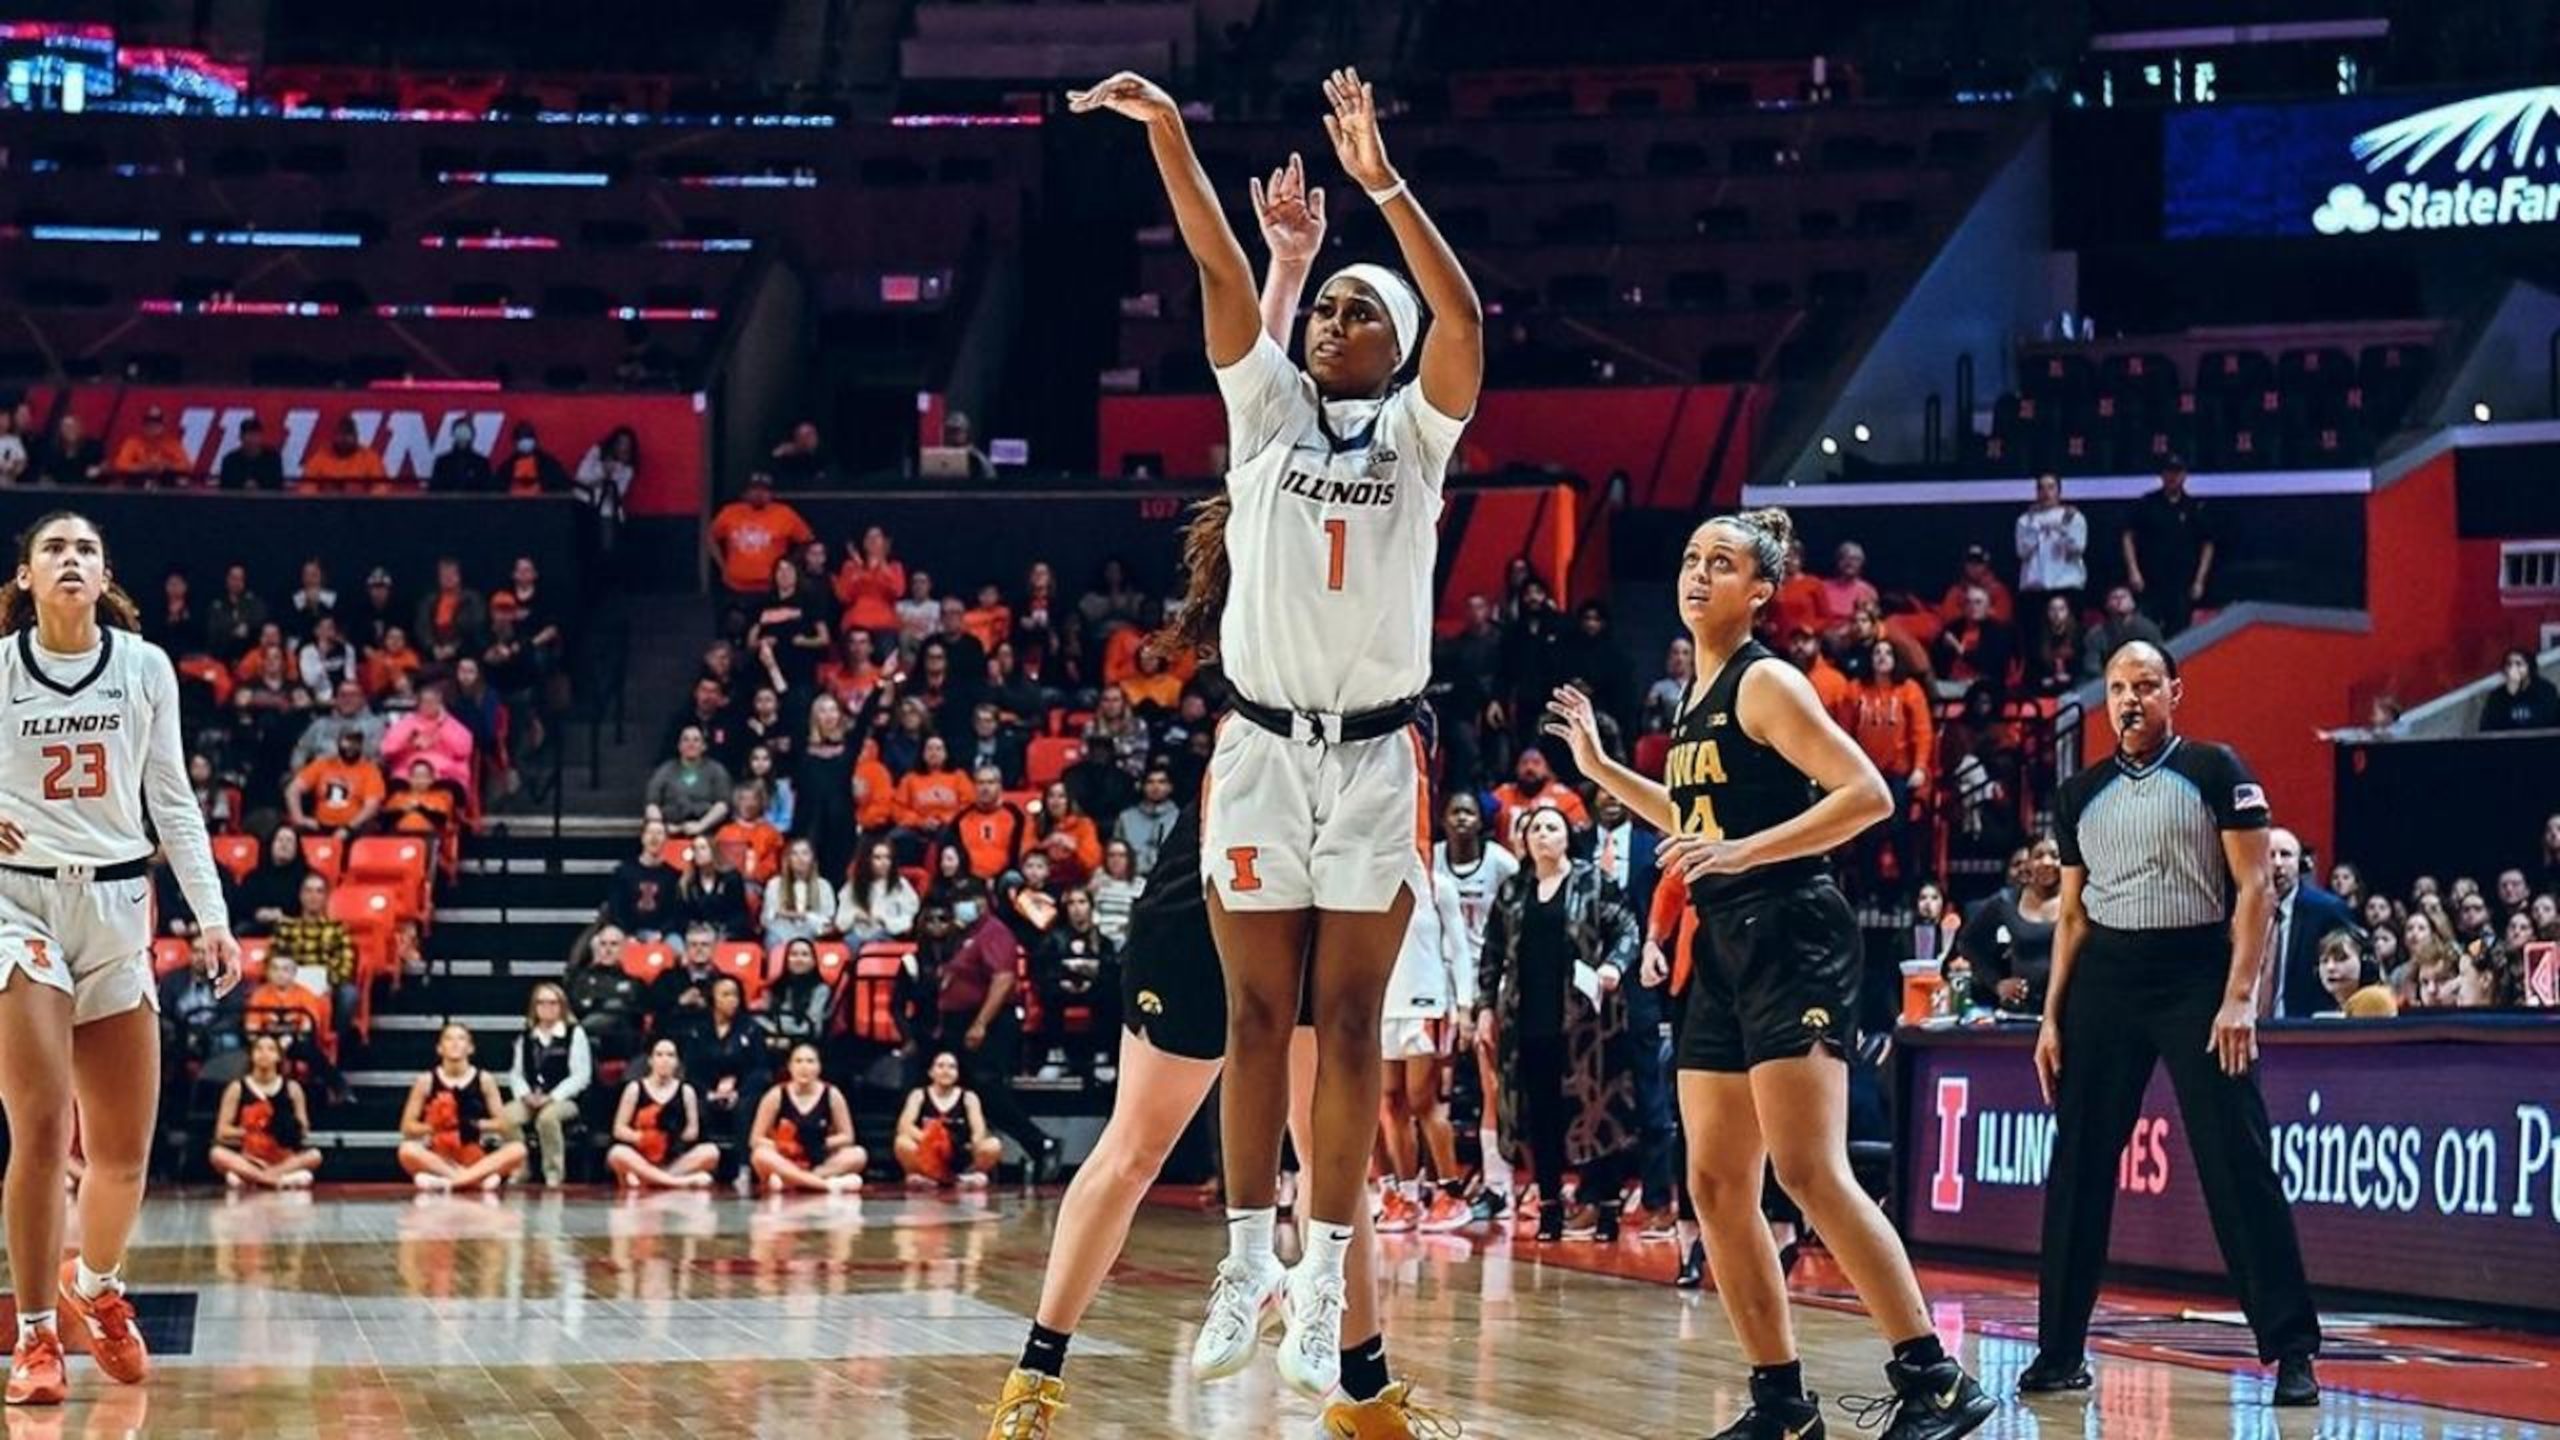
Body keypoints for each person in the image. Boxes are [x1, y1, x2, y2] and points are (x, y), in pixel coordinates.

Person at [1077, 62, 1484, 1408]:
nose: (1334, 322)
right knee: (1256, 1018)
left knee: (1352, 1025)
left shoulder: (1421, 438)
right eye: (1328, 308)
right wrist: (1172, 141)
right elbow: (1211, 262)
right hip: (1259, 750)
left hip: (1373, 756)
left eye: (1362, 310)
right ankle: (1248, 1263)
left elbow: (1468, 317)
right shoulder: (1263, 413)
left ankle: (1325, 1279)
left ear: (1394, 344)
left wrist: (1383, 189)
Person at [1546, 507, 1995, 1440]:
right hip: (1727, 941)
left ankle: (1936, 1380)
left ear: (1760, 591)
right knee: (1714, 1184)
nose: (1698, 574)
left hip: (1796, 932)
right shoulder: (1695, 698)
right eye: (1690, 559)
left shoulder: (1768, 682)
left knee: (1810, 1171)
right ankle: (1783, 1404)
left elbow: (1866, 795)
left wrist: (1745, 853)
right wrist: (1598, 767)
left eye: (1722, 563)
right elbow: (1692, 811)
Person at [2026, 640, 2320, 1406]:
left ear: (2174, 693)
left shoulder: (2217, 770)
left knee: (2237, 1158)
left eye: (2145, 685)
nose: (2130, 700)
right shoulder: (2079, 793)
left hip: (2196, 975)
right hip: (2106, 982)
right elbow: (2070, 921)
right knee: (2079, 1167)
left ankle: (2293, 1349)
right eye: (2118, 687)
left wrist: (2238, 997)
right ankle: (2058, 1352)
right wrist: (2051, 1018)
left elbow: (2255, 888)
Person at [0, 510, 240, 1407]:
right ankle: (32, 1340)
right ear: (25, 577)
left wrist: (210, 917)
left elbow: (172, 800)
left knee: (122, 1151)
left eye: (86, 550)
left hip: (118, 905)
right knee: (38, 1125)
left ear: (104, 577)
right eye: (54, 549)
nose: (71, 560)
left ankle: (94, 1287)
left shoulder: (143, 669)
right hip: (16, 900)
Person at [1475, 806, 1640, 1242]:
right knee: (1540, 1116)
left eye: (1552, 827)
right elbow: (1492, 954)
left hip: (1586, 1025)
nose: (1542, 835)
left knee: (1595, 1113)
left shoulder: (1592, 881)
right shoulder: (1512, 891)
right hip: (1527, 1019)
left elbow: (1627, 929)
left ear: (1568, 837)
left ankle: (1607, 1208)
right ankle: (1549, 1207)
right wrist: (1486, 1007)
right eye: (1534, 829)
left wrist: (1614, 967)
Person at [1433, 789, 1520, 1219]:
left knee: (1492, 1084)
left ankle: (1498, 1183)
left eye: (1469, 811)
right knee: (1431, 1089)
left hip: (1490, 980)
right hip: (1439, 978)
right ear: (1443, 819)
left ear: (1481, 821)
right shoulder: (1430, 859)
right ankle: (1435, 1183)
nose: (1463, 818)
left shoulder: (1502, 863)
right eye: (1455, 811)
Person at [1377, 861, 1471, 1235]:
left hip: (1426, 1003)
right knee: (1392, 1101)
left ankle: (1451, 1193)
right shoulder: (1368, 877)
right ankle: (1408, 1195)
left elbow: (1460, 948)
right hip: (1383, 1005)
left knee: (1423, 1100)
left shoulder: (1436, 883)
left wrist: (1464, 1004)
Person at [396, 1023, 529, 1193]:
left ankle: (449, 1182)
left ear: (470, 1048)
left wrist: (475, 1124)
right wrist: (435, 1126)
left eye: (461, 1038)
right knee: (406, 1150)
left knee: (518, 1149)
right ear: (439, 1048)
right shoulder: (426, 1080)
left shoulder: (484, 1079)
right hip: (440, 1156)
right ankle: (474, 1180)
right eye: (449, 1038)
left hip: (475, 1153)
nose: (455, 1043)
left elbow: (503, 1124)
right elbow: (407, 1127)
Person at [1954, 837, 2063, 1014]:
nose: (2046, 862)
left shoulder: (2080, 901)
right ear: (2028, 863)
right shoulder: (2007, 901)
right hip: (2022, 1010)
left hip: (2068, 1010)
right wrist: (1997, 984)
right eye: (2038, 856)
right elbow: (1968, 943)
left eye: (2055, 856)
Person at [2262, 826, 2360, 1020]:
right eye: (2270, 855)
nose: (2278, 863)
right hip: (2254, 1029)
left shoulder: (2327, 910)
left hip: (2309, 1026)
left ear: (2300, 863)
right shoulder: (2244, 910)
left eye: (2286, 855)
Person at [502, 983, 593, 1189]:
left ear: (561, 1006)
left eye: (552, 1003)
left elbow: (581, 1076)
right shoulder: (526, 1036)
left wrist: (552, 1097)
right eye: (541, 1003)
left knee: (547, 1118)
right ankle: (520, 1167)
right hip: (532, 1096)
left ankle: (553, 1172)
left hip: (565, 1099)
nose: (547, 1007)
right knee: (506, 1116)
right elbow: (516, 1073)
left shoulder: (574, 1034)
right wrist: (525, 1095)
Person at [207, 1033, 322, 1190]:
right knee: (217, 1154)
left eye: (270, 1049)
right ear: (252, 1056)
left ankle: (261, 1177)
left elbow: (303, 1129)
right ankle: (272, 1180)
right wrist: (254, 1130)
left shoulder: (292, 1088)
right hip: (250, 1158)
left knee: (315, 1155)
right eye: (259, 1049)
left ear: (278, 1057)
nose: (264, 1054)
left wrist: (283, 1129)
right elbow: (221, 1131)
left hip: (283, 1158)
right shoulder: (237, 1088)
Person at [749, 1042, 867, 1193]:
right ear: (790, 1066)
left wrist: (821, 1143)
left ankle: (794, 1181)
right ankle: (825, 1185)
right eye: (798, 1061)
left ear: (819, 1067)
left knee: (858, 1154)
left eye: (810, 1061)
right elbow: (755, 1139)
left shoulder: (832, 1094)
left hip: (819, 1160)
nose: (804, 1067)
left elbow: (848, 1136)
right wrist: (784, 1145)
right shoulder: (776, 1095)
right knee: (760, 1155)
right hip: (786, 1159)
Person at [604, 1038, 720, 1188]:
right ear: (650, 1061)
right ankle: (677, 1182)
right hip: (641, 1155)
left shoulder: (686, 1091)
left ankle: (650, 1179)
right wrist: (642, 1138)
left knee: (711, 1152)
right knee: (617, 1154)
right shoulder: (634, 1088)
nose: (665, 1060)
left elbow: (693, 1130)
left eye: (670, 1055)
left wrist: (671, 1139)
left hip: (673, 1156)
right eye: (659, 1055)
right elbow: (619, 1129)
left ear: (677, 1062)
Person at [2121, 458, 2215, 636]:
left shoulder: (2194, 506)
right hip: (2150, 581)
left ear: (2185, 476)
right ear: (2162, 475)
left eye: (2177, 472)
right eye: (2169, 472)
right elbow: (2128, 535)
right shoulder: (2147, 503)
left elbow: (2207, 544)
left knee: (2180, 632)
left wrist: (2199, 581)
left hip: (2182, 583)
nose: (2173, 477)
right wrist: (2133, 571)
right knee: (2147, 631)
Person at [894, 1050, 1004, 1188]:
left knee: (993, 1144)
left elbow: (979, 1131)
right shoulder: (918, 1094)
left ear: (958, 1073)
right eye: (940, 1066)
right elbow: (904, 1125)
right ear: (931, 1072)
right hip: (929, 1151)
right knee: (902, 1142)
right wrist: (930, 1141)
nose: (946, 1071)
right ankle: (925, 1177)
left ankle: (965, 1176)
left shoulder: (969, 1097)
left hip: (960, 1152)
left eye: (952, 1067)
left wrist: (971, 1145)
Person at [2013, 472, 2087, 639]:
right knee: (2036, 641)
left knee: (2070, 640)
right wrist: (2036, 530)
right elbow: (2022, 552)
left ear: (2059, 491)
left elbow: (2077, 549)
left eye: (2051, 487)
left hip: (2066, 586)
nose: (2046, 492)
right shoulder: (2025, 520)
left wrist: (2061, 529)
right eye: (2041, 488)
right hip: (2035, 589)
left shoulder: (2073, 517)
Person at [2313, 928, 2397, 1017]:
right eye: (2324, 961)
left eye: (2341, 958)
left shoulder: (2373, 998)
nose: (2330, 967)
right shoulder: (2343, 1007)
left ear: (2366, 964)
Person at [2479, 647, 2560, 732]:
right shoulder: (2497, 696)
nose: (2513, 669)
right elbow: (2487, 728)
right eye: (2509, 664)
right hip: (2508, 744)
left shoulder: (2545, 690)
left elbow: (2552, 721)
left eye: (2518, 664)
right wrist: (2510, 695)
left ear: (2529, 667)